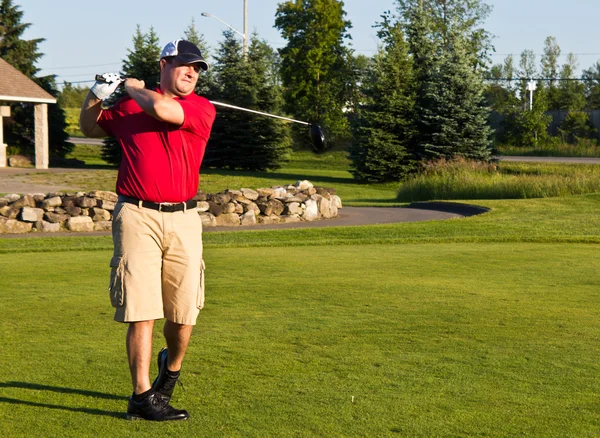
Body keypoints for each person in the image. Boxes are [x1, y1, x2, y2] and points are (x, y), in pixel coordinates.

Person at [79, 39, 216, 421]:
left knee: (184, 313)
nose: (192, 72)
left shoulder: (199, 108)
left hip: (184, 218)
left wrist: (132, 86)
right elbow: (89, 127)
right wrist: (98, 93)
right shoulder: (129, 103)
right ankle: (142, 396)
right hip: (137, 214)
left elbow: (162, 109)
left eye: (197, 68)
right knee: (142, 309)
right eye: (185, 65)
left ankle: (169, 370)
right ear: (164, 64)